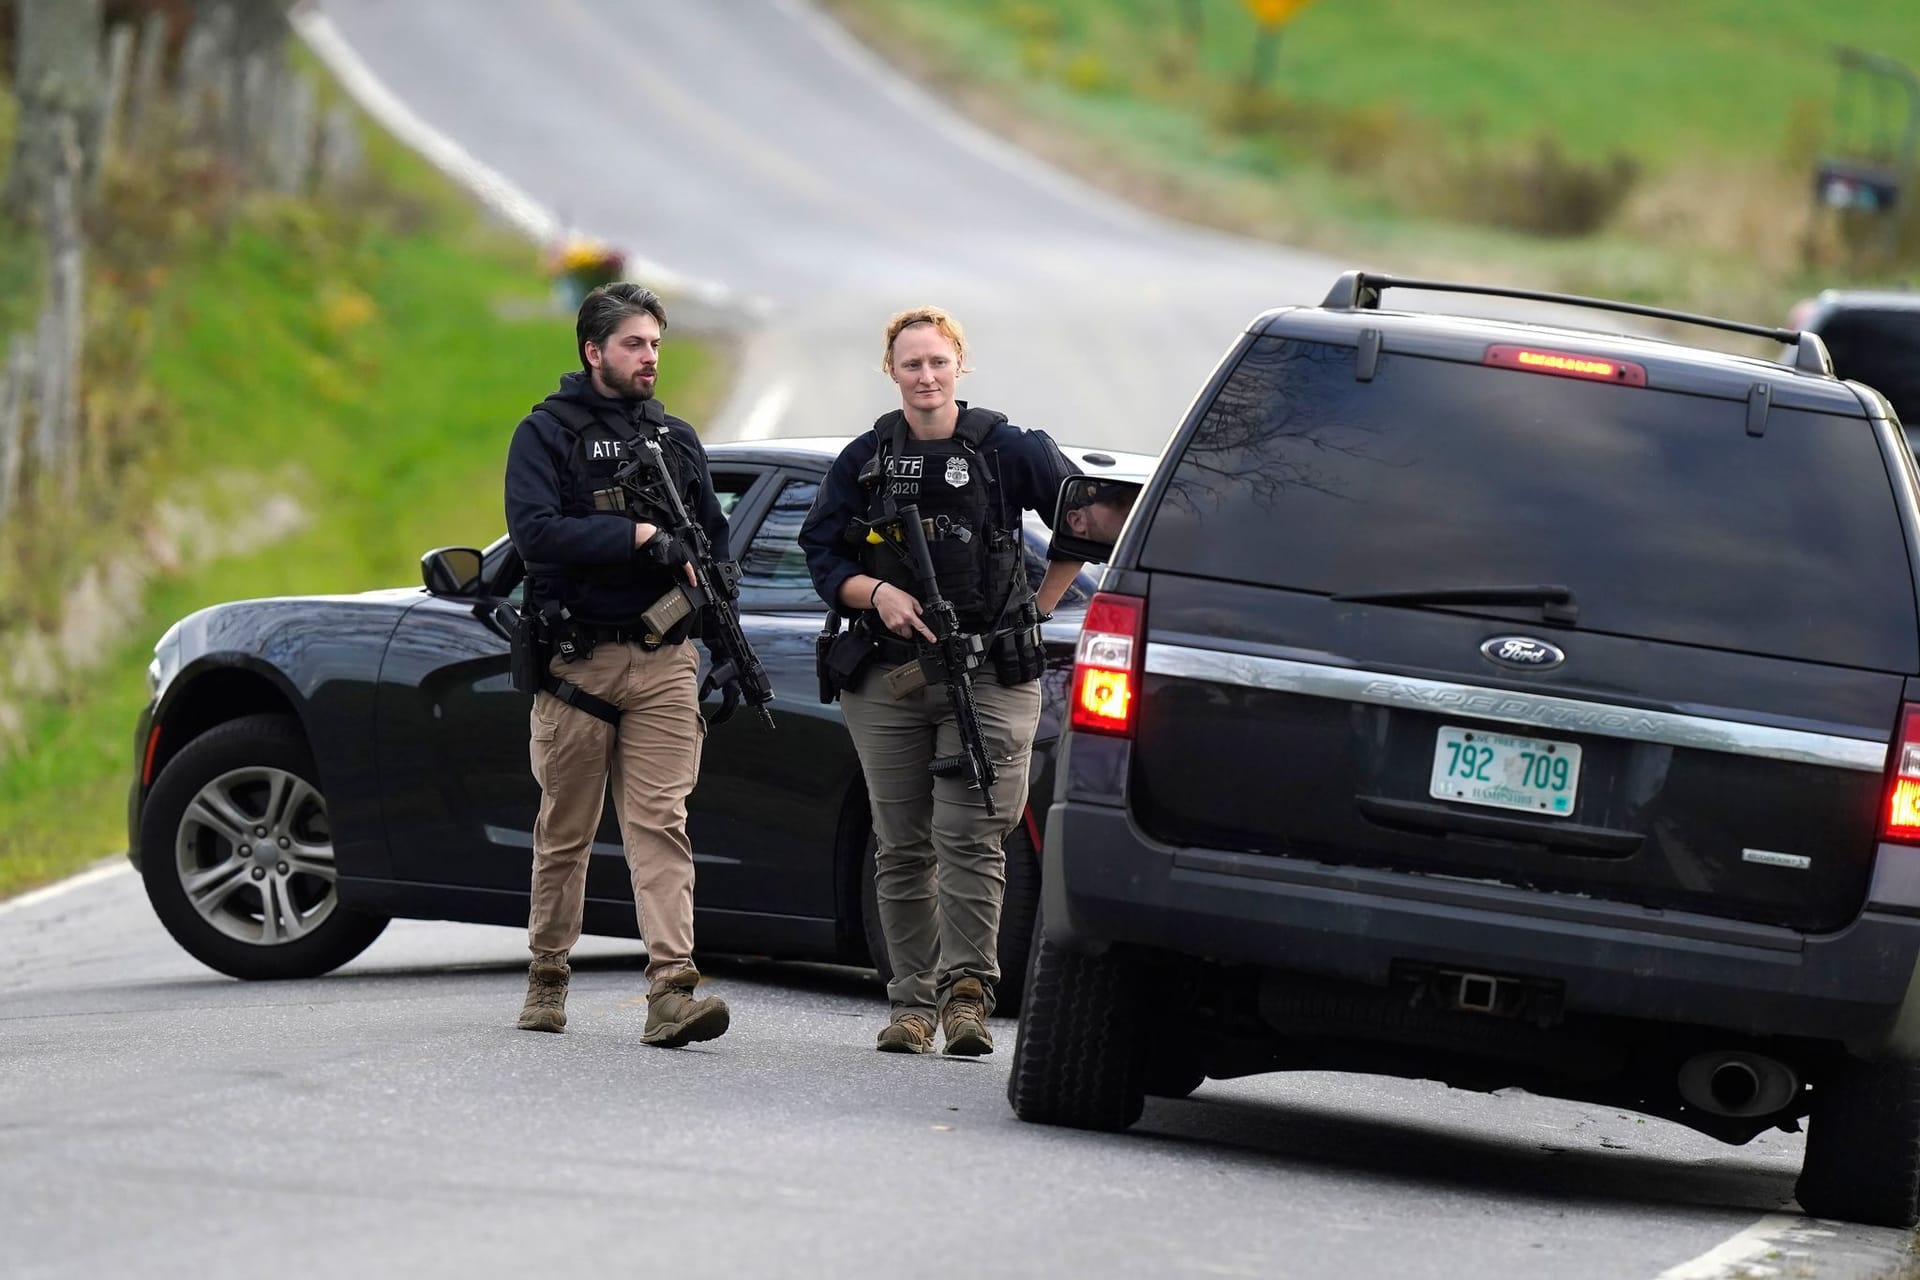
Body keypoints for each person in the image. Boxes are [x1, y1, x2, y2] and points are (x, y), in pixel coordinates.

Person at [798, 305, 1083, 1056]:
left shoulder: (1006, 449)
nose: (925, 376)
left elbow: (1090, 521)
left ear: (960, 366)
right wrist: (875, 594)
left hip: (989, 672)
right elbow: (822, 553)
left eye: (937, 362)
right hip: (889, 676)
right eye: (910, 364)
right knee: (902, 844)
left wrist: (1040, 607)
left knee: (970, 833)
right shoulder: (866, 458)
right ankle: (910, 1005)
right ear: (890, 372)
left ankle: (967, 997)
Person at [503, 281, 733, 1048]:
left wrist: (716, 612)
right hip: (579, 666)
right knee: (564, 830)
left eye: (657, 346)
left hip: (664, 661)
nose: (650, 359)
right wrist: (635, 538)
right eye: (635, 344)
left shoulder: (676, 440)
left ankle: (673, 987)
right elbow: (535, 535)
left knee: (661, 825)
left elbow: (713, 543)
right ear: (593, 350)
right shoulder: (547, 434)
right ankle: (547, 974)